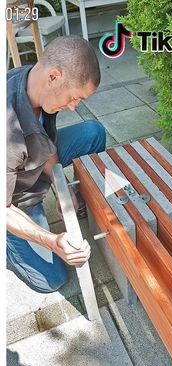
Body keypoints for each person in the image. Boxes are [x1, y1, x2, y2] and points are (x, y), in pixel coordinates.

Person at [6, 36, 106, 293]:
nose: (73, 107)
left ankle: (85, 201)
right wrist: (52, 241)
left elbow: (44, 140)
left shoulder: (34, 84)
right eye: (74, 98)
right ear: (54, 77)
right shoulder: (7, 132)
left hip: (29, 166)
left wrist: (64, 190)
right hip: (15, 200)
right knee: (52, 279)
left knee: (93, 132)